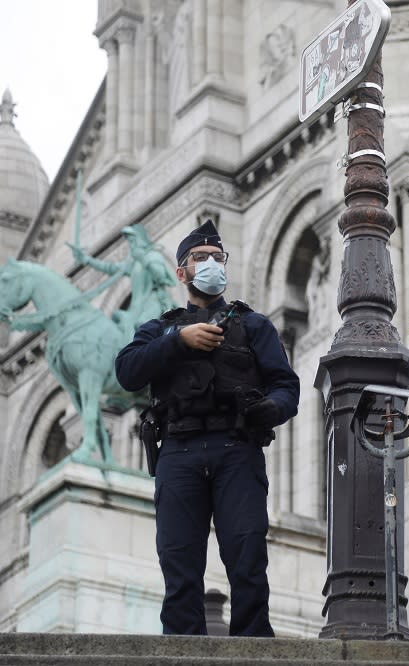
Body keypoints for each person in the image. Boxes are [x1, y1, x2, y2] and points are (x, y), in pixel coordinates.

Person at [115, 220, 299, 636]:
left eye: (218, 257)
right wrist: (179, 340)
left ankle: (253, 647)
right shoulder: (160, 328)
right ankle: (183, 649)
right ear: (182, 272)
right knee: (178, 562)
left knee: (247, 555)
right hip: (178, 452)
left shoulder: (254, 326)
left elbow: (287, 386)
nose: (212, 264)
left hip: (236, 447)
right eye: (201, 258)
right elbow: (126, 371)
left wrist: (268, 409)